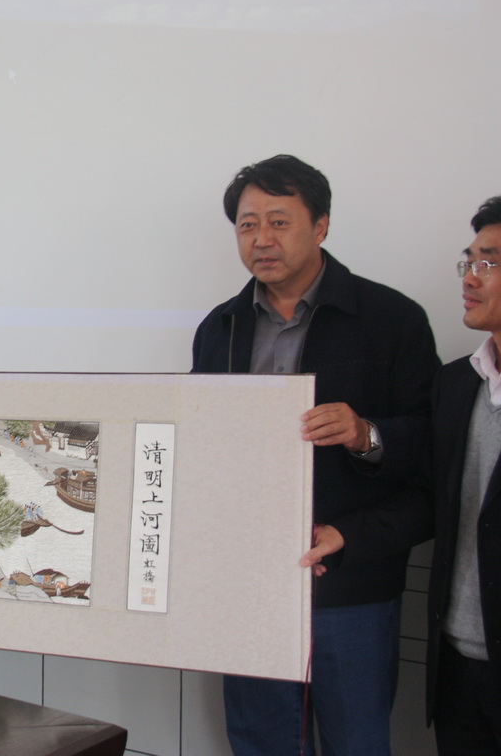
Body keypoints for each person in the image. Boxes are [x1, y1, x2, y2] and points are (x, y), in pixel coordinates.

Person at [191, 154, 439, 755]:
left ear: (321, 226)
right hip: (249, 583)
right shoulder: (220, 328)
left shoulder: (392, 320)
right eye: (248, 225)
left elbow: (434, 450)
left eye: (279, 222)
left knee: (356, 742)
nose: (262, 239)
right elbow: (205, 450)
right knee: (261, 742)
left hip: (350, 585)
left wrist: (364, 434)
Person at [427, 195, 501, 754]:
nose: (470, 278)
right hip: (456, 661)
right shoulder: (456, 383)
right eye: (469, 261)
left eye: (489, 262)